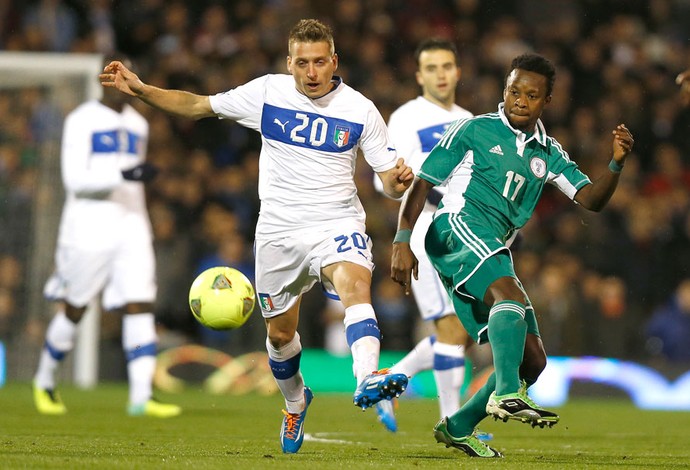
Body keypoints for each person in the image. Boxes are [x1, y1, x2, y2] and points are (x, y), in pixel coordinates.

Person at [100, 19, 413, 454]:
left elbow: (387, 181)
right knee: (281, 337)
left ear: (334, 62)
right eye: (302, 63)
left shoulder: (360, 110)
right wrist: (141, 89)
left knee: (355, 286)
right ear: (289, 63)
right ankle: (295, 402)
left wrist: (398, 182)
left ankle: (366, 377)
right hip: (278, 233)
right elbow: (197, 106)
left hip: (336, 223)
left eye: (320, 62)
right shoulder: (267, 93)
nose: (311, 72)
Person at [391, 53, 634, 458]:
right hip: (454, 226)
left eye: (531, 95)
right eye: (513, 90)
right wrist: (401, 240)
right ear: (504, 90)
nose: (520, 100)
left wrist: (616, 163)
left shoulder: (549, 152)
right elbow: (422, 184)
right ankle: (505, 393)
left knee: (533, 360)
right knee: (510, 298)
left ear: (547, 102)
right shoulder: (473, 130)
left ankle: (458, 426)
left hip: (492, 246)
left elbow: (591, 199)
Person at [33, 57, 181, 419]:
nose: (123, 82)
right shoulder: (81, 120)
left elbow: (131, 184)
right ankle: (44, 380)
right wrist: (124, 173)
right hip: (88, 227)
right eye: (116, 75)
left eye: (129, 75)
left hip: (132, 224)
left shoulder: (138, 124)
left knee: (140, 303)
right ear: (102, 79)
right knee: (76, 307)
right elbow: (75, 182)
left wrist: (133, 181)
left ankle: (142, 396)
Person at [373, 38, 477, 434]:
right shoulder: (405, 118)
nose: (441, 74)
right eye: (432, 68)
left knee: (464, 330)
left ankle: (390, 379)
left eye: (447, 66)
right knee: (451, 329)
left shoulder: (470, 120)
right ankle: (453, 423)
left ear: (458, 71)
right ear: (419, 76)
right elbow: (389, 181)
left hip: (467, 233)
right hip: (426, 228)